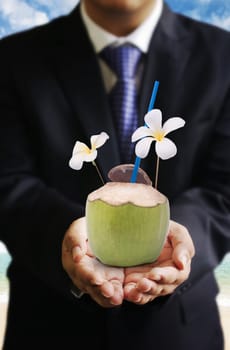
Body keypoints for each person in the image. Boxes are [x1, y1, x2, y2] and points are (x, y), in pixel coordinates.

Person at [0, 0, 229, 349]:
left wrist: (180, 240)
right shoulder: (13, 58)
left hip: (179, 333)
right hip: (49, 328)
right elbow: (7, 181)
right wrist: (66, 236)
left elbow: (224, 189)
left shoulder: (222, 56)